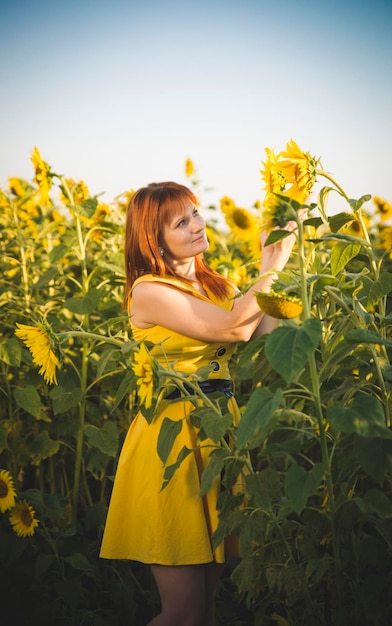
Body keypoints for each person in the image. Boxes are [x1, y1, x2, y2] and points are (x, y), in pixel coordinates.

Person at [100, 181, 299, 626]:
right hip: (172, 442)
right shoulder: (149, 292)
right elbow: (233, 329)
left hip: (218, 436)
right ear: (154, 240)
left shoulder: (216, 284)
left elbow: (269, 333)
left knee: (207, 608)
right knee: (183, 612)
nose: (196, 224)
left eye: (195, 213)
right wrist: (269, 268)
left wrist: (285, 266)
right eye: (181, 221)